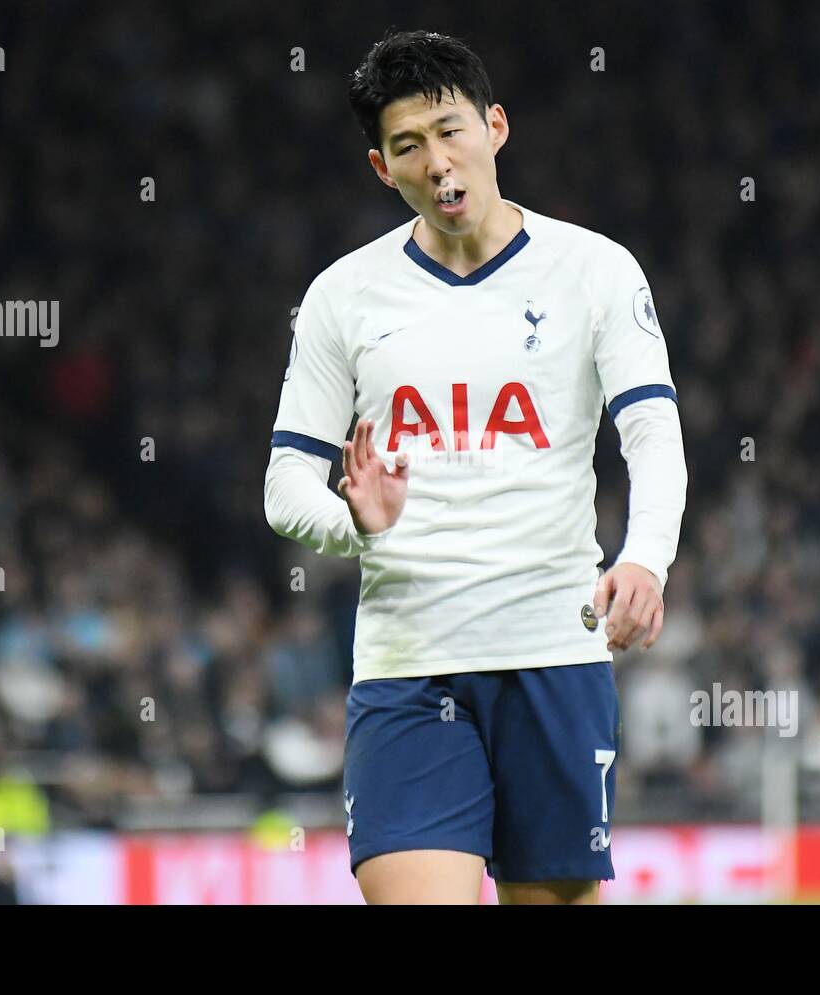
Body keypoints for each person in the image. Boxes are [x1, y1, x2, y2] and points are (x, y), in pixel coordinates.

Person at [264, 29, 687, 904]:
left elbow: (651, 432)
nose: (438, 160)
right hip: (410, 665)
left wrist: (645, 556)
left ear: (496, 126)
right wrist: (356, 521)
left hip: (553, 656)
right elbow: (284, 486)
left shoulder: (595, 271)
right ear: (383, 168)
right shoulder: (344, 296)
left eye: (451, 130)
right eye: (408, 146)